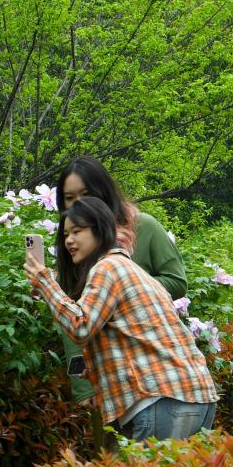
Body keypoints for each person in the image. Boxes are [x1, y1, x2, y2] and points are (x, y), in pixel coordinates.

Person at [24, 197, 218, 442]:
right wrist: (96, 368)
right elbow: (136, 338)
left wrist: (44, 282)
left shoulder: (108, 268)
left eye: (77, 231)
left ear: (101, 230)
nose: (69, 240)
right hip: (194, 396)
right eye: (65, 235)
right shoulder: (132, 269)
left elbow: (80, 326)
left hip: (161, 399)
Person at [55, 156, 187, 448]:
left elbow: (177, 281)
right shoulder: (73, 245)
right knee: (116, 464)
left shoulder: (143, 227)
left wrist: (125, 292)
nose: (77, 204)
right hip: (104, 373)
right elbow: (72, 315)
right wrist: (80, 381)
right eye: (69, 198)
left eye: (85, 194)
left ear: (103, 190)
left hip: (152, 371)